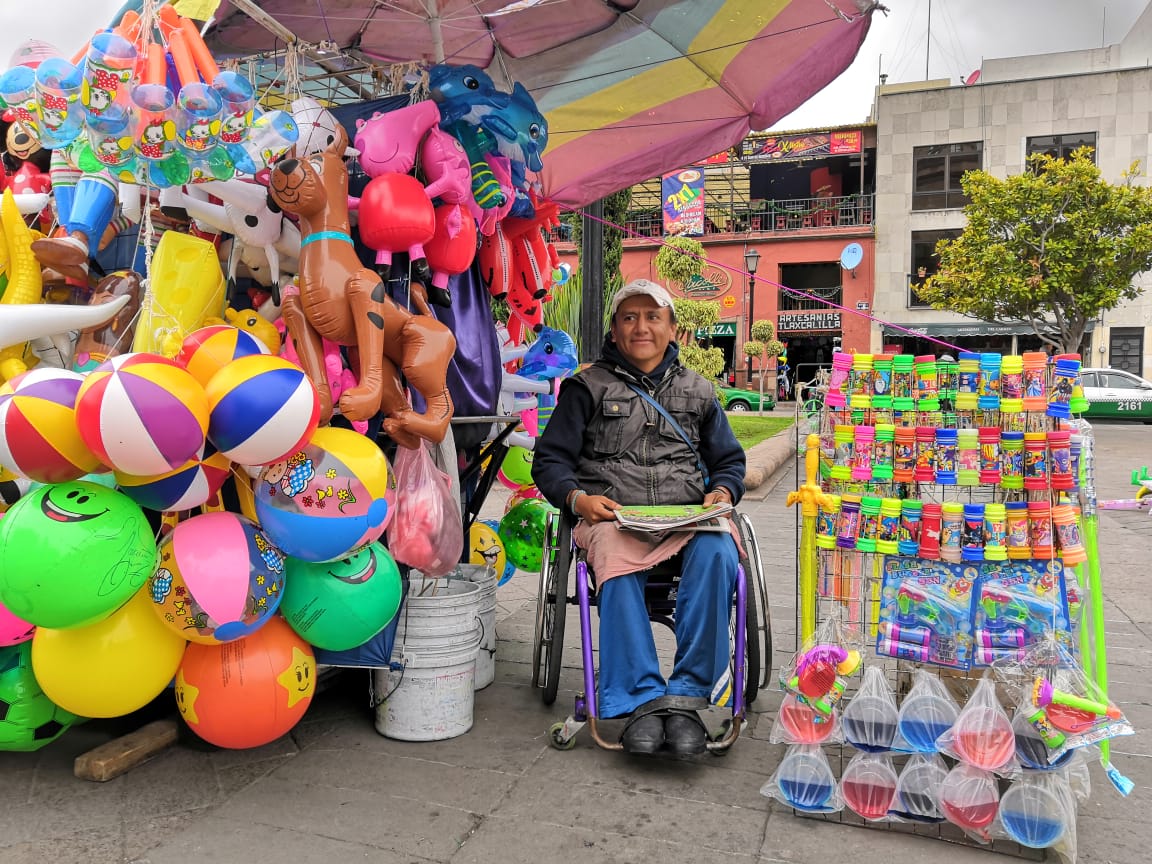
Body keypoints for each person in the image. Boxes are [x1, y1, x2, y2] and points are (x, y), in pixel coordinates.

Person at [532, 279, 746, 756]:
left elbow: (729, 461)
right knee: (608, 548)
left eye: (653, 317)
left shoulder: (699, 391)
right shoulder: (585, 387)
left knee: (718, 548)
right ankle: (640, 698)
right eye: (630, 317)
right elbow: (549, 462)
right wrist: (577, 500)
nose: (642, 327)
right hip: (614, 517)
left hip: (686, 519)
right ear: (614, 329)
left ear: (673, 329)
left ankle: (688, 694)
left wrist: (722, 490)